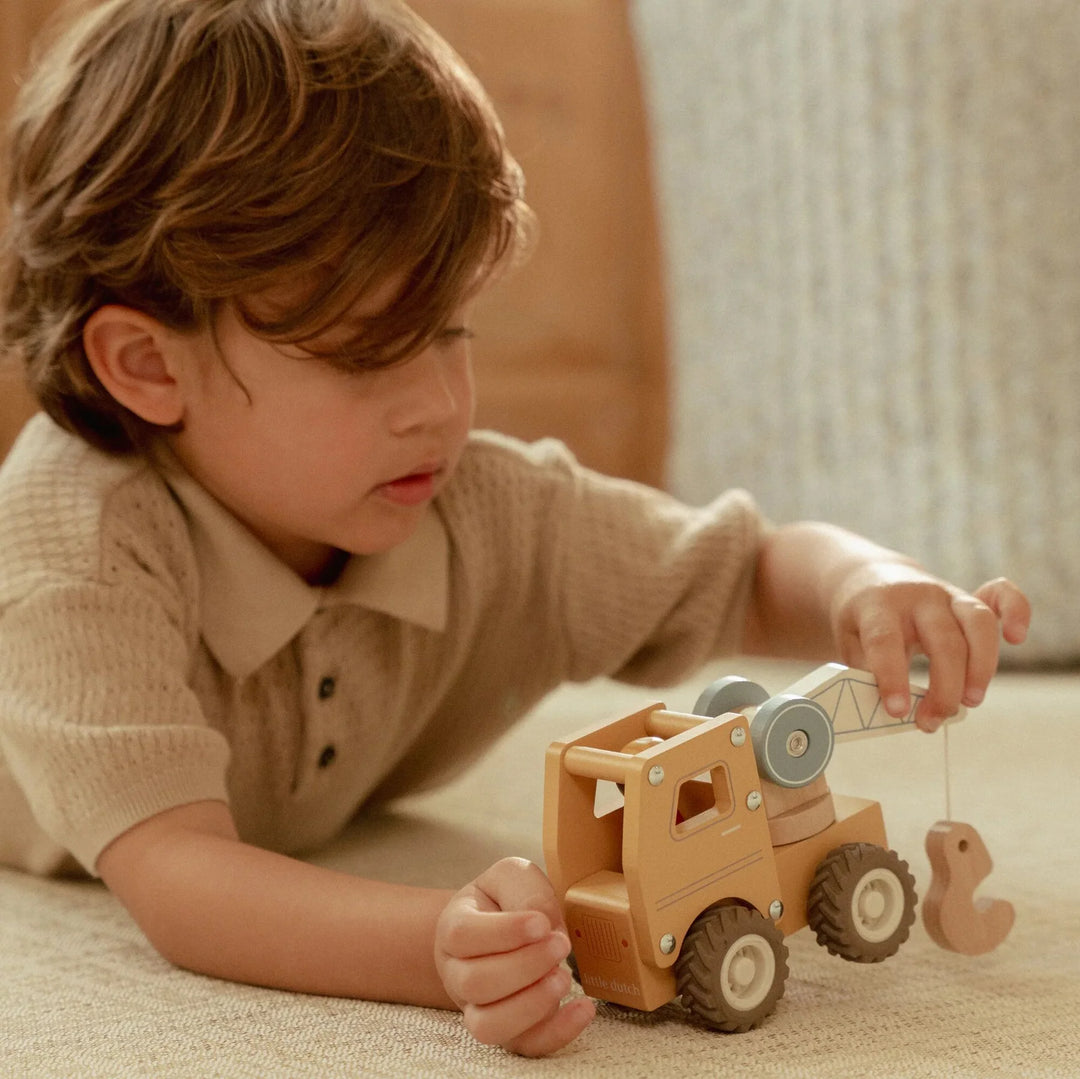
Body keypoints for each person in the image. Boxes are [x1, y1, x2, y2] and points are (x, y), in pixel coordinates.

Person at [0, 0, 1030, 1059]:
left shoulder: (486, 511)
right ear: (149, 365)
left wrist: (868, 585)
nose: (439, 404)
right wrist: (436, 943)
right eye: (364, 353)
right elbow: (182, 876)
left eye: (450, 329)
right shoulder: (76, 549)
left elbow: (744, 573)